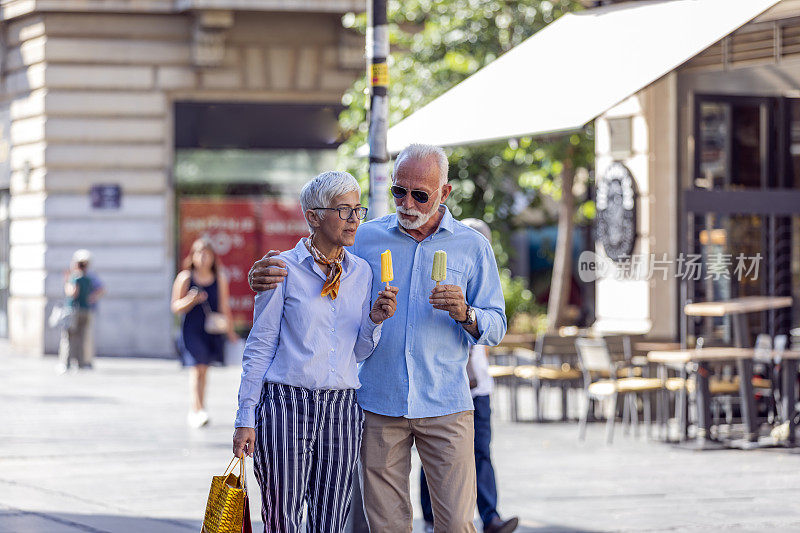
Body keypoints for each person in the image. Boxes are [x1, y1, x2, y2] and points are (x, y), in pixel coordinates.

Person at [248, 144, 507, 533]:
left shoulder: (472, 246)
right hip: (377, 404)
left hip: (446, 402)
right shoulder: (365, 237)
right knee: (386, 526)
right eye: (399, 191)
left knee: (455, 524)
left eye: (420, 195)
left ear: (445, 193)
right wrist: (260, 276)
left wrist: (466, 313)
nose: (406, 202)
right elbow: (310, 258)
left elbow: (498, 324)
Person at [232, 171, 398, 532]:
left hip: (341, 408)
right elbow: (259, 345)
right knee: (283, 519)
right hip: (285, 405)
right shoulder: (281, 268)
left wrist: (374, 321)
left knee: (332, 523)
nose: (355, 219)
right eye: (344, 210)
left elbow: (360, 352)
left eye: (358, 209)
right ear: (313, 216)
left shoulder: (363, 273)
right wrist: (245, 416)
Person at [419, 219, 518, 533]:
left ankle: (490, 517)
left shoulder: (486, 284)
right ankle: (432, 516)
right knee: (433, 455)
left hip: (479, 390)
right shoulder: (450, 279)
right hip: (446, 388)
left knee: (481, 453)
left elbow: (494, 329)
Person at [171, 238, 238, 428]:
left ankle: (200, 407)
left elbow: (224, 306)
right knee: (196, 367)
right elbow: (175, 306)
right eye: (199, 253)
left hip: (211, 330)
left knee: (204, 369)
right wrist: (190, 300)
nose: (203, 258)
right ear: (192, 256)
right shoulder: (185, 277)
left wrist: (231, 332)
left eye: (207, 253)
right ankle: (196, 409)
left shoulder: (219, 278)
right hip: (191, 329)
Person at [56, 250, 95, 373]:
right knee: (82, 337)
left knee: (68, 337)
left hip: (74, 310)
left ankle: (65, 363)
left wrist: (66, 282)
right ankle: (82, 363)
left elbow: (72, 293)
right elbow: (99, 290)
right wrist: (90, 298)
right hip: (86, 309)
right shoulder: (88, 278)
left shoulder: (75, 278)